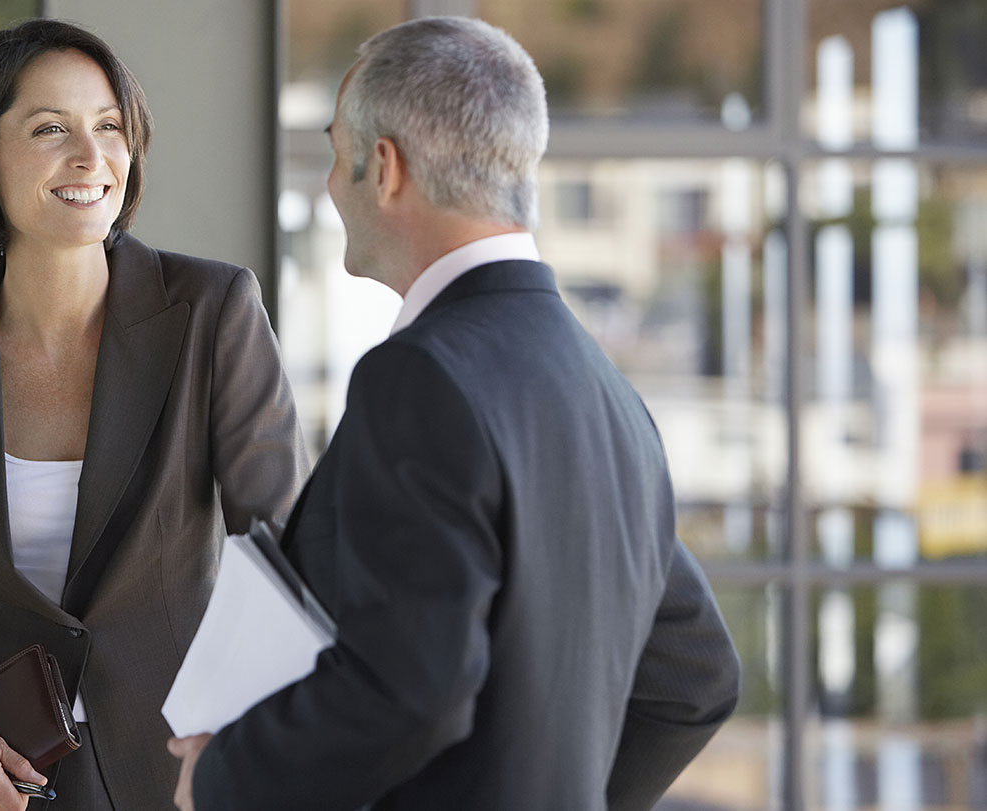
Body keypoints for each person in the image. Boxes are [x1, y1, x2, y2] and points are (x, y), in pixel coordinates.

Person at [168, 16, 740, 811]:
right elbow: (696, 676)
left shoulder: (419, 378)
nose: (332, 185)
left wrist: (226, 774)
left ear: (387, 168)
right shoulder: (607, 392)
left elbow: (413, 688)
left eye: (338, 154)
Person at [0, 18, 307, 811]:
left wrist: (237, 733)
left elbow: (284, 555)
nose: (91, 158)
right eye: (50, 128)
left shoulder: (211, 312)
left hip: (178, 776)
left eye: (110, 127)